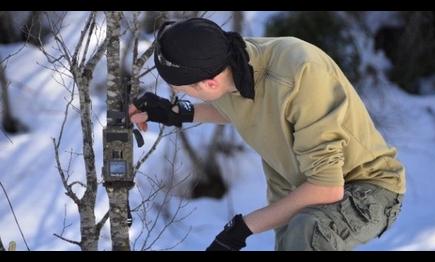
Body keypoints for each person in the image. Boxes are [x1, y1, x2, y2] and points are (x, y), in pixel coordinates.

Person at [129, 17, 406, 251]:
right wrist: (174, 112)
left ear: (209, 83)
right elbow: (234, 106)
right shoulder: (230, 63)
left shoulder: (300, 75)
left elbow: (327, 187)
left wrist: (238, 230)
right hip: (300, 191)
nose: (178, 94)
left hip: (368, 188)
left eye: (182, 90)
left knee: (307, 230)